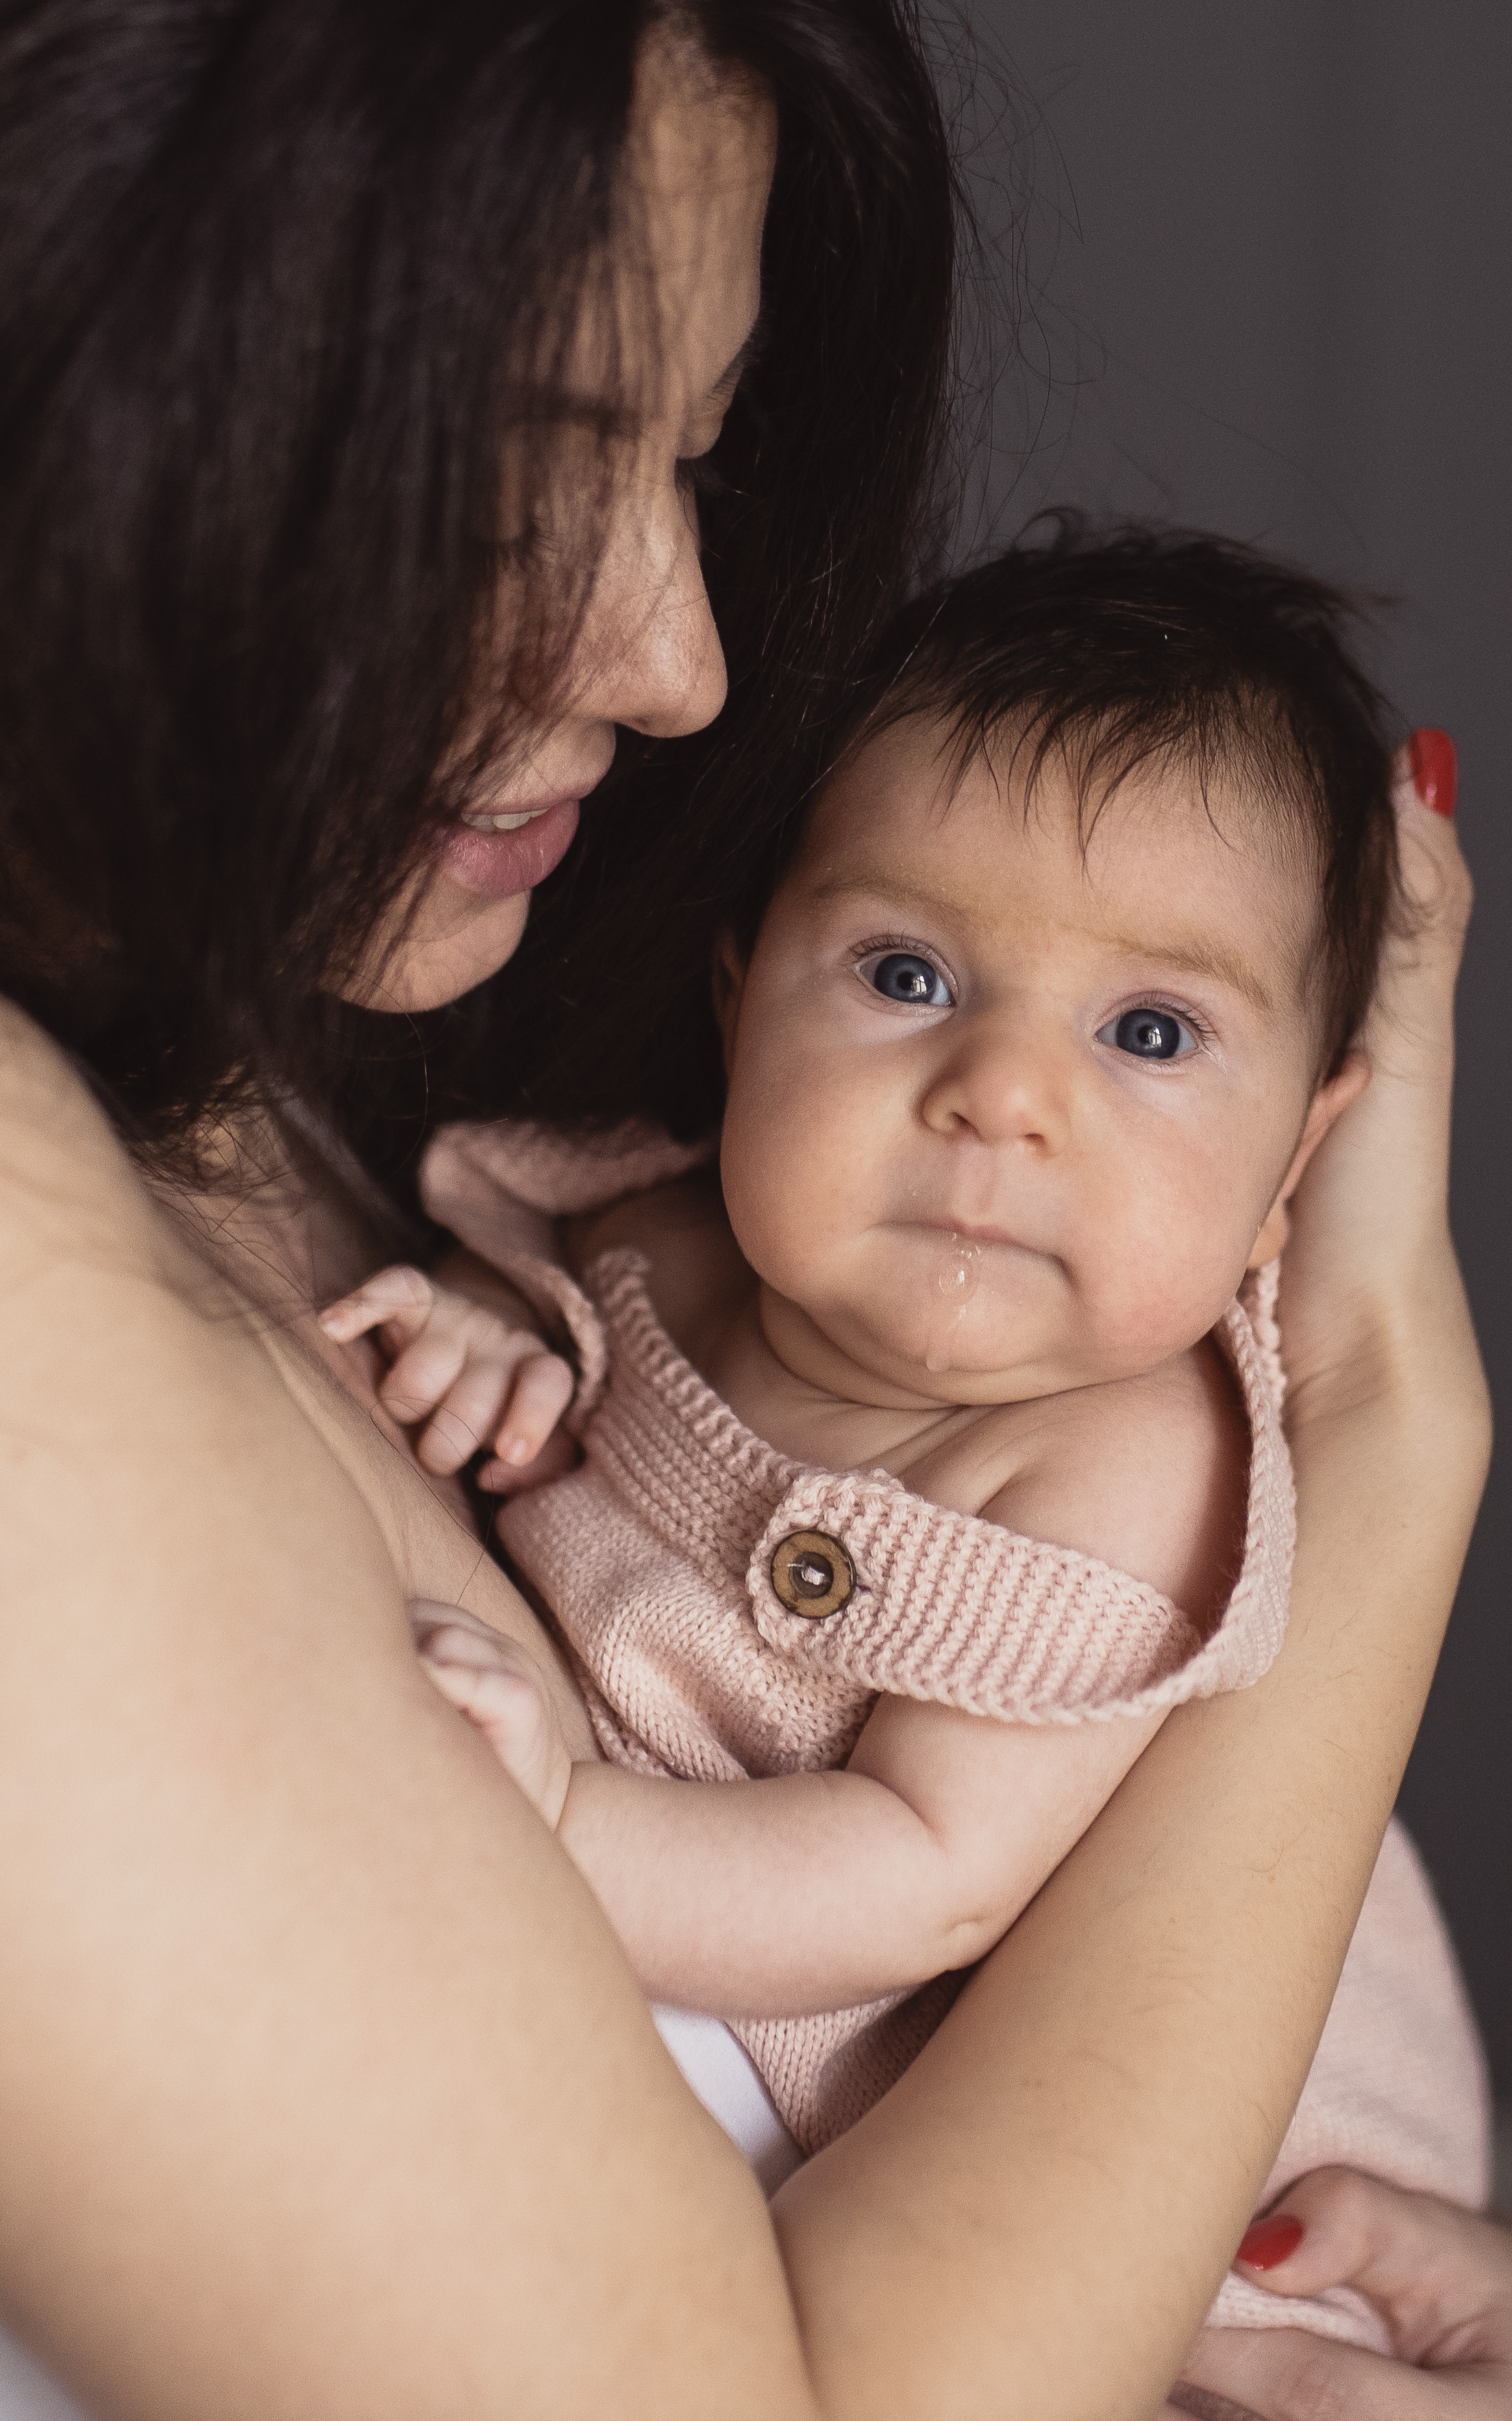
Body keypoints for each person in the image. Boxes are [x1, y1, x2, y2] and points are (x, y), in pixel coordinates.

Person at [0, 5, 1489, 2418]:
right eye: (509, 478)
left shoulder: (278, 1115)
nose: (682, 663)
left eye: (699, 468)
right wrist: (1373, 1446)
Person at [321, 530, 1487, 2353]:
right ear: (740, 998)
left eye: (1152, 1030)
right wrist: (493, 1331)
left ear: (1298, 1169)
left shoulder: (1125, 1470)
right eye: (909, 978)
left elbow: (917, 1875)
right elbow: (528, 1245)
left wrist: (563, 1818)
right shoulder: (662, 1226)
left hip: (1203, 2259)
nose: (1002, 1098)